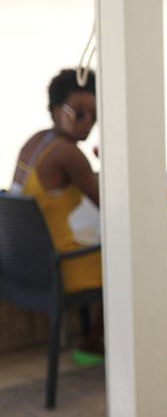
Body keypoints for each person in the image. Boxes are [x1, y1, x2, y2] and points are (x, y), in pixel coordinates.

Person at [10, 69, 104, 364]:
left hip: (23, 268)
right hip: (61, 268)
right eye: (78, 113)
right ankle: (91, 344)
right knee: (140, 256)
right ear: (55, 111)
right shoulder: (68, 153)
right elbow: (108, 204)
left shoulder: (36, 141)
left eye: (95, 113)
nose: (88, 121)